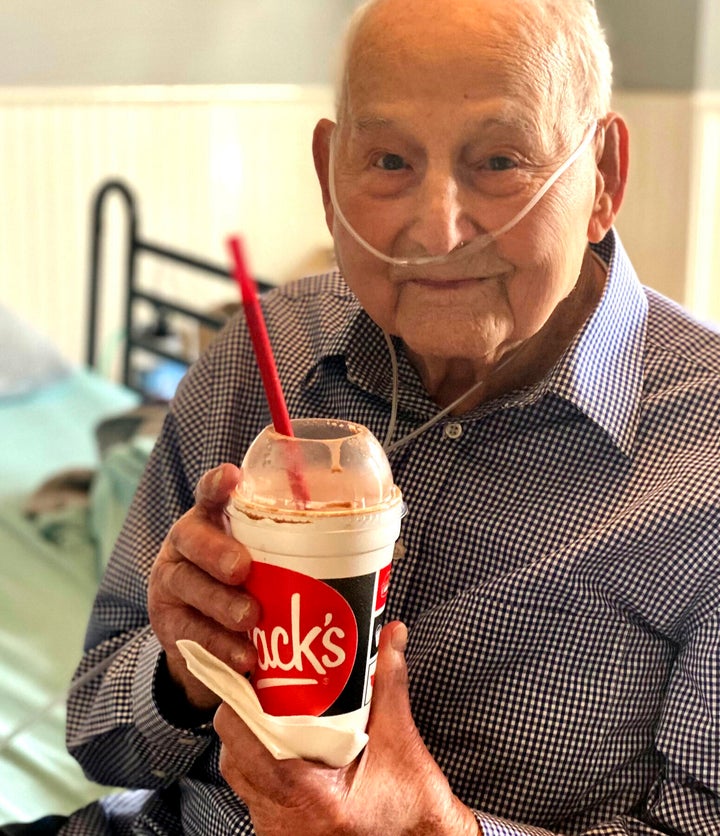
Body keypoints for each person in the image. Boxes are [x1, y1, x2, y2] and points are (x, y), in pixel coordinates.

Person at [54, 0, 720, 833]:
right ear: (330, 177)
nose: (437, 229)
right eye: (391, 160)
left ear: (605, 178)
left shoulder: (707, 460)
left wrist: (440, 829)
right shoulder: (258, 364)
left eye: (501, 160)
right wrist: (185, 673)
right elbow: (97, 735)